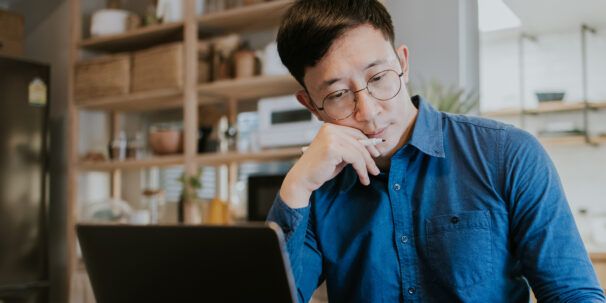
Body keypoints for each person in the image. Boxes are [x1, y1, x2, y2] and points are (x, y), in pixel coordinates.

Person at [266, 0, 605, 302]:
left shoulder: (507, 153)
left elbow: (573, 293)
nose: (368, 111)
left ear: (403, 62)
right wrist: (296, 187)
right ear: (310, 104)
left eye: (380, 76)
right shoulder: (316, 188)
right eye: (338, 94)